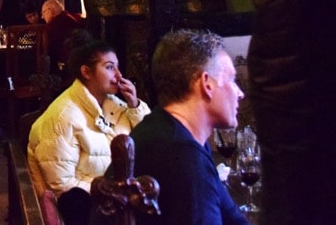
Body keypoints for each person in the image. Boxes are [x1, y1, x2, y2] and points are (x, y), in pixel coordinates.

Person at [123, 29, 247, 225]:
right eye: (231, 79)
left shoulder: (174, 135)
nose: (240, 93)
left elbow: (233, 219)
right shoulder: (181, 155)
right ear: (206, 83)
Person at [28, 33, 149, 225]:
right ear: (86, 72)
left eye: (117, 67)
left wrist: (135, 106)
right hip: (91, 209)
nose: (118, 75)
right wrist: (114, 192)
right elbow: (62, 187)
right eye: (109, 67)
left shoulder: (113, 104)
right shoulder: (63, 118)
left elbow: (148, 140)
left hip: (119, 199)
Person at [41, 0, 86, 72]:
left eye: (43, 13)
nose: (42, 17)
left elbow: (46, 47)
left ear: (50, 11)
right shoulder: (72, 16)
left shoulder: (55, 24)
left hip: (68, 64)